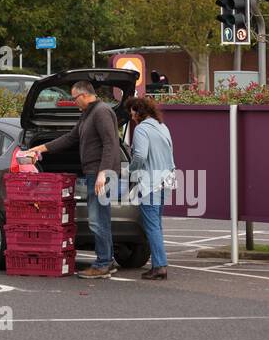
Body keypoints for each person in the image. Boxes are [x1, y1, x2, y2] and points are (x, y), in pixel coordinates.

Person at [27, 80, 121, 278]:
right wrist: (41, 148)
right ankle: (108, 261)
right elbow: (70, 138)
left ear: (85, 95)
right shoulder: (88, 114)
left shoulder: (101, 112)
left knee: (97, 220)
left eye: (74, 98)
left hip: (100, 174)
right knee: (101, 218)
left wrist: (103, 173)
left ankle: (103, 263)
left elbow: (110, 143)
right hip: (94, 172)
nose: (73, 102)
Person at [125, 95, 176, 280]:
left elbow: (140, 156)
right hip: (166, 180)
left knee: (152, 225)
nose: (131, 117)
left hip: (150, 183)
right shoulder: (163, 127)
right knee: (157, 224)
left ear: (139, 111)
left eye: (132, 113)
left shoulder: (141, 129)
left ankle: (160, 266)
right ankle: (159, 263)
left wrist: (129, 171)